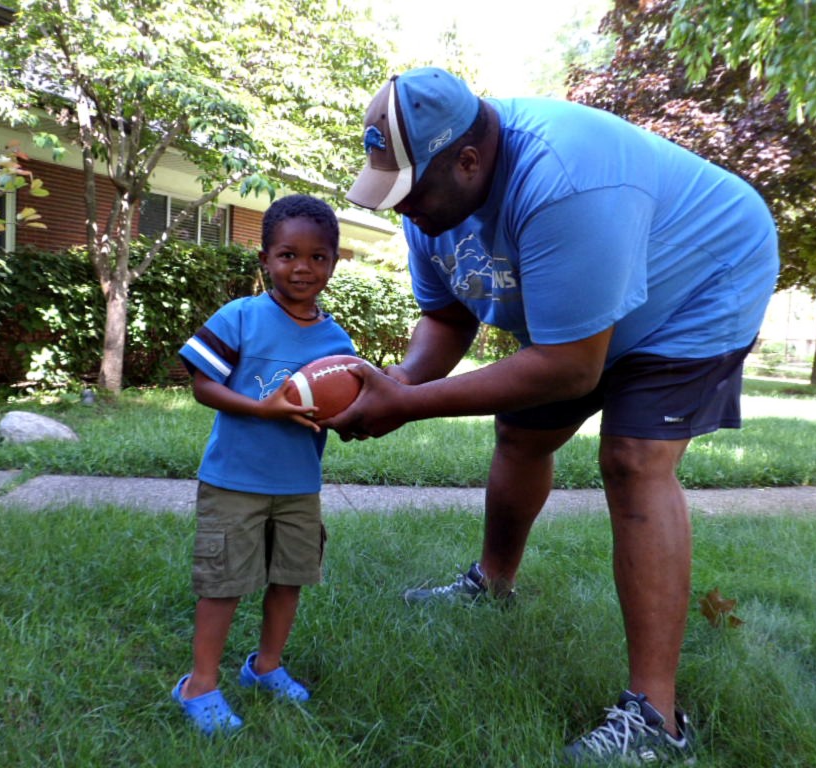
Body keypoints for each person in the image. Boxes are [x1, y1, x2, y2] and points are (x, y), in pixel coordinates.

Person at [330, 67, 778, 764]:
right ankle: (491, 585)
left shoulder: (566, 179)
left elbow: (572, 366)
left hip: (703, 279)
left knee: (632, 461)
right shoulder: (433, 204)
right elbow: (446, 318)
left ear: (469, 160)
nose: (400, 210)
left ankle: (656, 720)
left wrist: (409, 407)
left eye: (408, 193)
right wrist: (391, 385)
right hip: (591, 304)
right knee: (521, 431)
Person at [171, 194, 355, 736]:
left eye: (318, 257)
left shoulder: (336, 340)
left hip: (299, 485)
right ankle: (199, 684)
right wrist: (263, 406)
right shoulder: (242, 317)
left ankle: (265, 666)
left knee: (289, 578)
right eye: (287, 255)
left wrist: (354, 415)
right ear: (265, 259)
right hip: (234, 481)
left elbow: (338, 404)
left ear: (335, 263)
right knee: (223, 583)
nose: (302, 267)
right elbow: (203, 385)